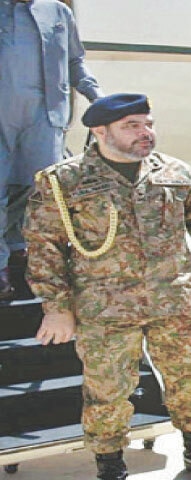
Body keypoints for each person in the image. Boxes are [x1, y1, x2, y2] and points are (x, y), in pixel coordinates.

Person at [24, 93, 191, 480]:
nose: (146, 133)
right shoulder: (63, 181)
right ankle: (110, 467)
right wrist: (56, 306)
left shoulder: (176, 173)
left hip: (176, 303)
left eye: (148, 123)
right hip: (104, 309)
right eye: (132, 126)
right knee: (107, 393)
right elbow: (44, 246)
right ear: (100, 131)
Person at [0, 0, 103, 300]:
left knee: (40, 192)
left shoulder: (58, 12)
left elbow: (75, 61)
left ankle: (23, 255)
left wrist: (97, 97)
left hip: (44, 116)